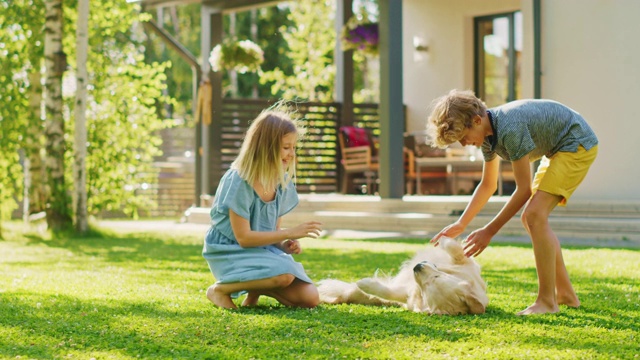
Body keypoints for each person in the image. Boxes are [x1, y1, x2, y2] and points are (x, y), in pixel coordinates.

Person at [426, 89, 598, 315]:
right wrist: (461, 223)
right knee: (532, 218)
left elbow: (523, 190)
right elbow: (488, 185)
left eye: (463, 137)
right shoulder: (488, 137)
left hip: (576, 144)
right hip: (558, 150)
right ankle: (565, 294)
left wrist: (489, 230)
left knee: (534, 215)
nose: (464, 144)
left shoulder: (509, 127)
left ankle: (547, 301)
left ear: (477, 120)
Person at [202, 104, 323, 310]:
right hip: (230, 250)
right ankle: (219, 290)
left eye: (294, 147)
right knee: (283, 276)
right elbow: (244, 238)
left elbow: (271, 233)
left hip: (259, 251)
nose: (291, 154)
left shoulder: (281, 182)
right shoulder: (240, 180)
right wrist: (292, 231)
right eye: (286, 147)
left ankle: (254, 292)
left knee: (310, 299)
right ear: (265, 147)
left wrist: (284, 244)